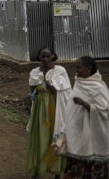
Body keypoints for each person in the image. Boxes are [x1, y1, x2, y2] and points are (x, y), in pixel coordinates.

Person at [26, 47, 71, 179]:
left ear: (53, 56)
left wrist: (49, 83)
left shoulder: (60, 71)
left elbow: (65, 92)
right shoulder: (35, 72)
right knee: (40, 138)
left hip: (55, 110)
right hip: (39, 111)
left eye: (48, 56)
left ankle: (56, 171)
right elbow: (32, 90)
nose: (45, 59)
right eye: (43, 56)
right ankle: (37, 170)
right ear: (39, 57)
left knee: (54, 137)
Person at [62, 56, 109, 179]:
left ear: (89, 69)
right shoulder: (79, 82)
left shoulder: (99, 87)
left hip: (93, 136)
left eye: (79, 67)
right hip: (78, 133)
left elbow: (105, 110)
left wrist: (85, 104)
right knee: (75, 165)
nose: (76, 70)